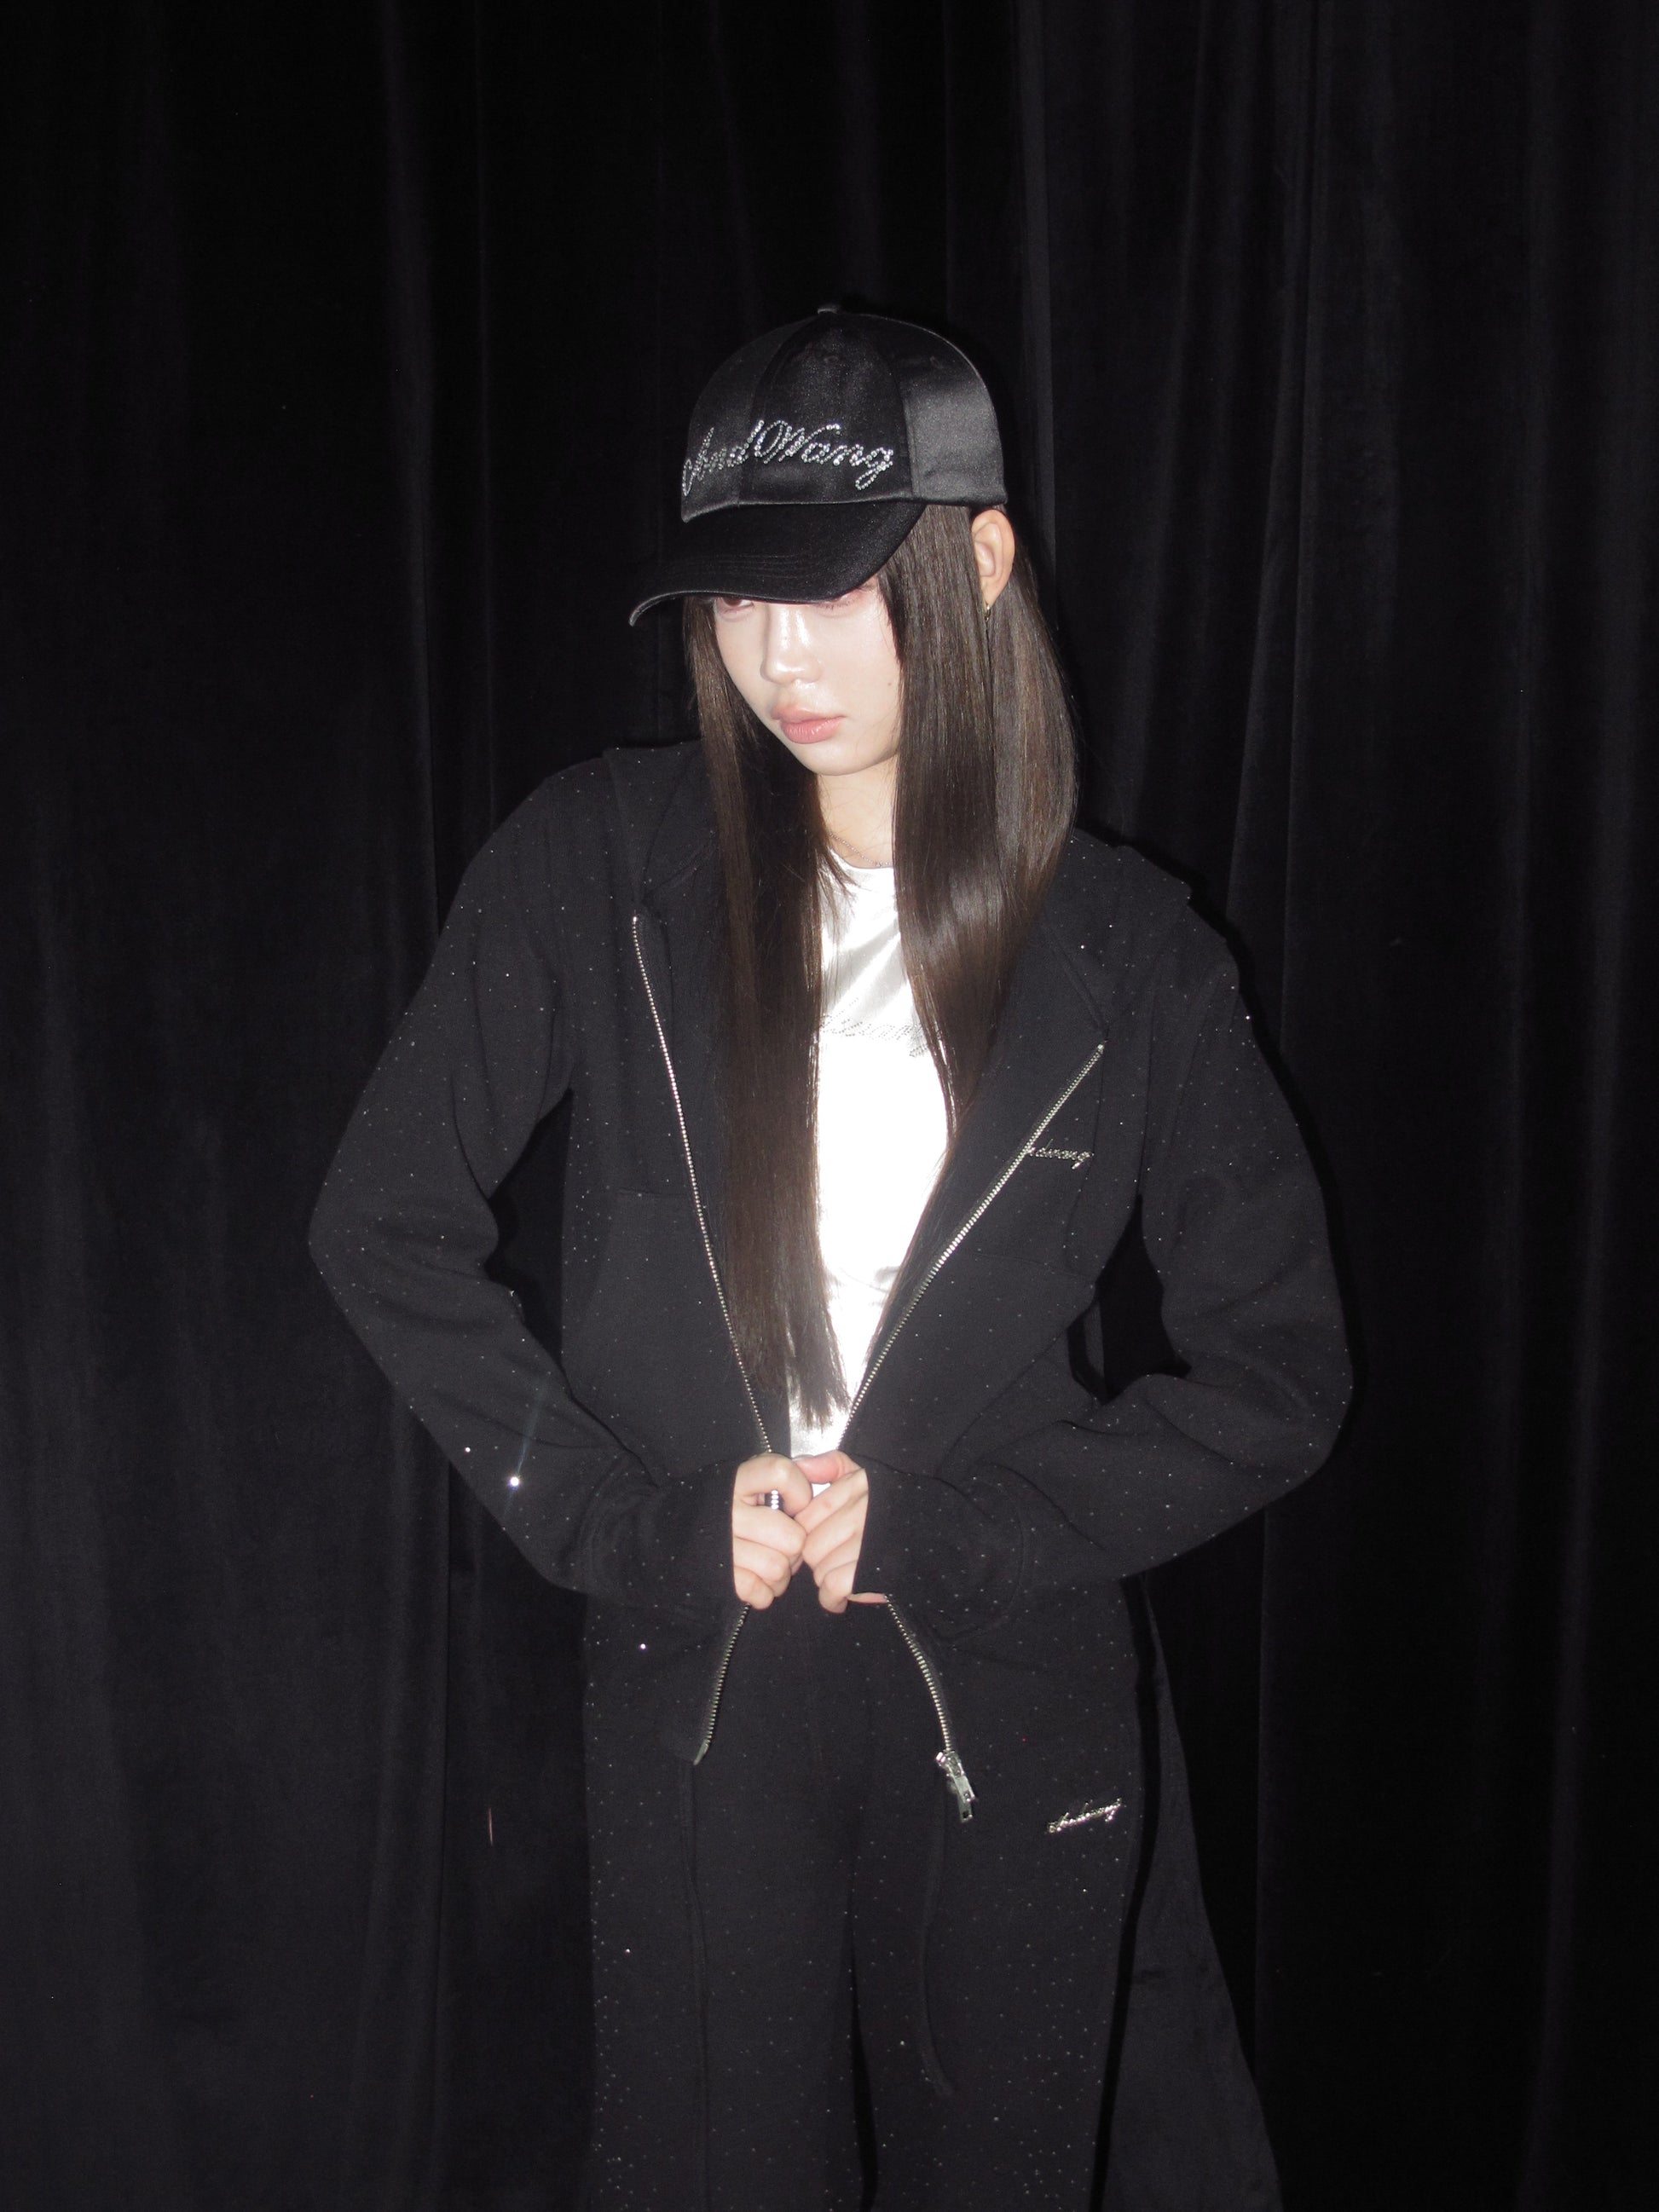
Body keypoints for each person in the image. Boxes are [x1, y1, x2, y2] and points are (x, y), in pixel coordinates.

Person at [309, 308, 1351, 2211]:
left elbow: (1279, 1375)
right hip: (700, 1673)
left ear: (979, 556)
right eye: (735, 599)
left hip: (1010, 1677)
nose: (780, 657)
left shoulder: (1129, 953)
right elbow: (381, 1221)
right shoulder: (596, 864)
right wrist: (614, 1516)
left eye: (840, 590)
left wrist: (970, 1526)